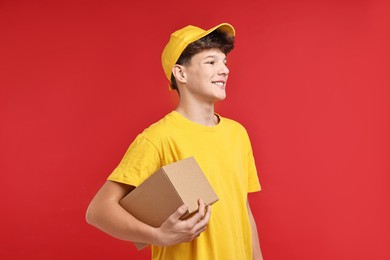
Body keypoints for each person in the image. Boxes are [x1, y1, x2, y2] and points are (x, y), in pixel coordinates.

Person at [86, 22, 263, 260]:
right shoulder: (159, 137)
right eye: (211, 62)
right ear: (181, 73)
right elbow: (98, 211)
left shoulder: (237, 134)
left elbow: (244, 210)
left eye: (224, 62)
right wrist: (157, 235)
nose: (224, 70)